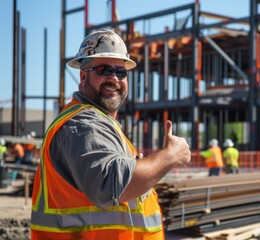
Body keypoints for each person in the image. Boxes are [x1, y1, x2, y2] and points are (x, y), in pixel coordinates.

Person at [30, 29, 191, 240]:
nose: (114, 78)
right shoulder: (83, 124)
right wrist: (170, 156)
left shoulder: (103, 125)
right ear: (83, 75)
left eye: (121, 72)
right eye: (103, 70)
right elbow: (110, 186)